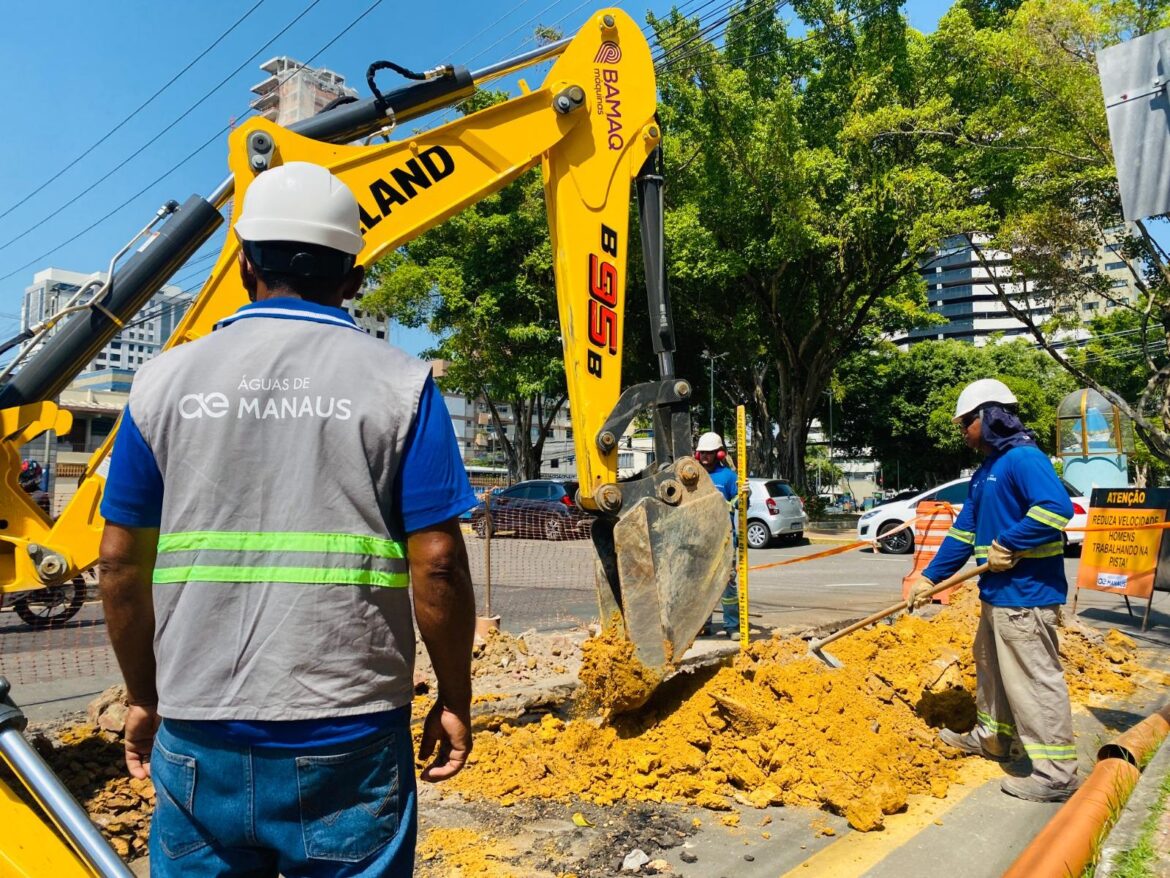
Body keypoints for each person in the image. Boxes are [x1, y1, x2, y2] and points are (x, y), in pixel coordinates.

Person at [98, 161, 477, 876]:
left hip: (197, 730)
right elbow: (438, 563)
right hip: (351, 731)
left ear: (243, 264)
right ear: (354, 278)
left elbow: (118, 562)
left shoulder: (162, 383)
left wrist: (144, 697)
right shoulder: (401, 384)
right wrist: (454, 698)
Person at [908, 378, 1078, 803]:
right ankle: (993, 739)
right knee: (991, 672)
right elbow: (963, 534)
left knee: (1033, 682)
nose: (962, 430)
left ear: (990, 416)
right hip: (996, 595)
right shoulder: (985, 473)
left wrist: (1011, 542)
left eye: (966, 421)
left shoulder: (1023, 459)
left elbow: (1056, 510)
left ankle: (1057, 774)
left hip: (1027, 595)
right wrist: (929, 578)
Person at [696, 431, 742, 637]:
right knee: (702, 586)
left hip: (724, 540)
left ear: (719, 454)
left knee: (728, 587)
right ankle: (704, 624)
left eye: (709, 453)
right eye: (702, 453)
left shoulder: (728, 477)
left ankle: (732, 626)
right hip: (699, 540)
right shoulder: (693, 474)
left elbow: (741, 504)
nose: (705, 456)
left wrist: (743, 495)